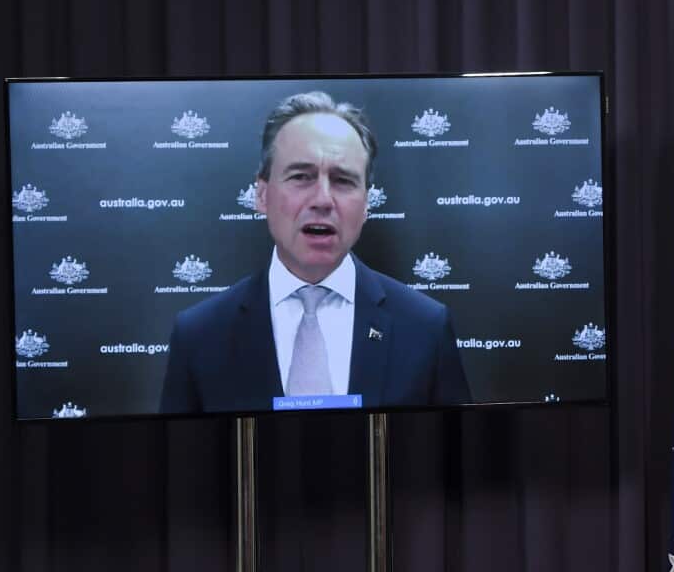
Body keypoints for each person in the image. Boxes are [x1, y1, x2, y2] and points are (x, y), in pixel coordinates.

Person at [160, 91, 470, 414]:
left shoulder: (425, 328)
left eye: (343, 180)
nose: (322, 199)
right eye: (301, 177)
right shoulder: (200, 336)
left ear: (366, 203)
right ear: (262, 195)